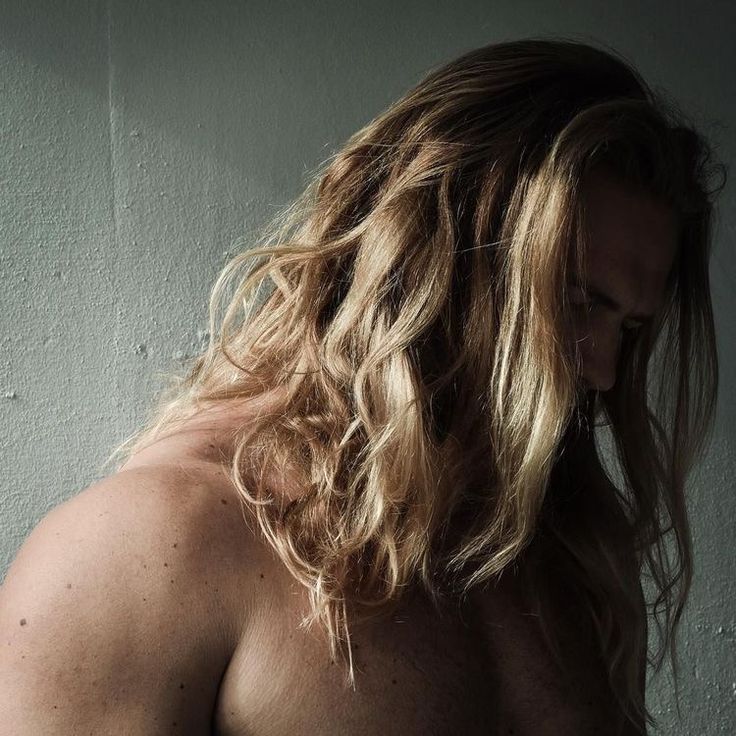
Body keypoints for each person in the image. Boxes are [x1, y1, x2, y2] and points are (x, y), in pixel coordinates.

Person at [0, 37, 724, 735]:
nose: (602, 369)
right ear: (437, 251)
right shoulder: (154, 546)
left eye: (629, 328)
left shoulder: (564, 544)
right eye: (577, 302)